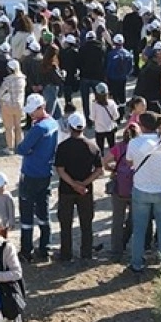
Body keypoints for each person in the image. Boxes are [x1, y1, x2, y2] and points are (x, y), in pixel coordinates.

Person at [127, 113, 161, 273]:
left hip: (141, 189)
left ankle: (137, 262)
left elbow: (129, 161)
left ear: (141, 125)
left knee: (139, 228)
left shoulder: (134, 143)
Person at [16, 93, 59, 262]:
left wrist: (29, 150)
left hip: (31, 174)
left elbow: (21, 148)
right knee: (43, 213)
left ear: (41, 108)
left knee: (26, 215)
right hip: (45, 174)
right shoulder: (53, 123)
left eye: (33, 111)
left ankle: (26, 251)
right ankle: (44, 248)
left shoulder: (38, 128)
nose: (31, 114)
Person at [54, 112, 101, 262]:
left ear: (69, 127)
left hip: (66, 190)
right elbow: (99, 170)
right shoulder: (93, 146)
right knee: (86, 223)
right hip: (86, 191)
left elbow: (60, 170)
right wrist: (84, 184)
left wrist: (74, 184)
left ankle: (66, 254)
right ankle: (86, 253)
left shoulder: (62, 147)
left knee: (66, 223)